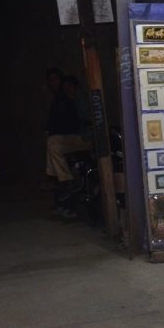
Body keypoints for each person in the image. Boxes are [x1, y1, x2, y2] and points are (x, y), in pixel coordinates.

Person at [44, 68, 90, 217]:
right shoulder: (63, 100)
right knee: (53, 144)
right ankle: (60, 179)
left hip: (84, 138)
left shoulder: (79, 100)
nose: (67, 90)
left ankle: (57, 178)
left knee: (53, 144)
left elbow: (82, 121)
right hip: (73, 138)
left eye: (69, 87)